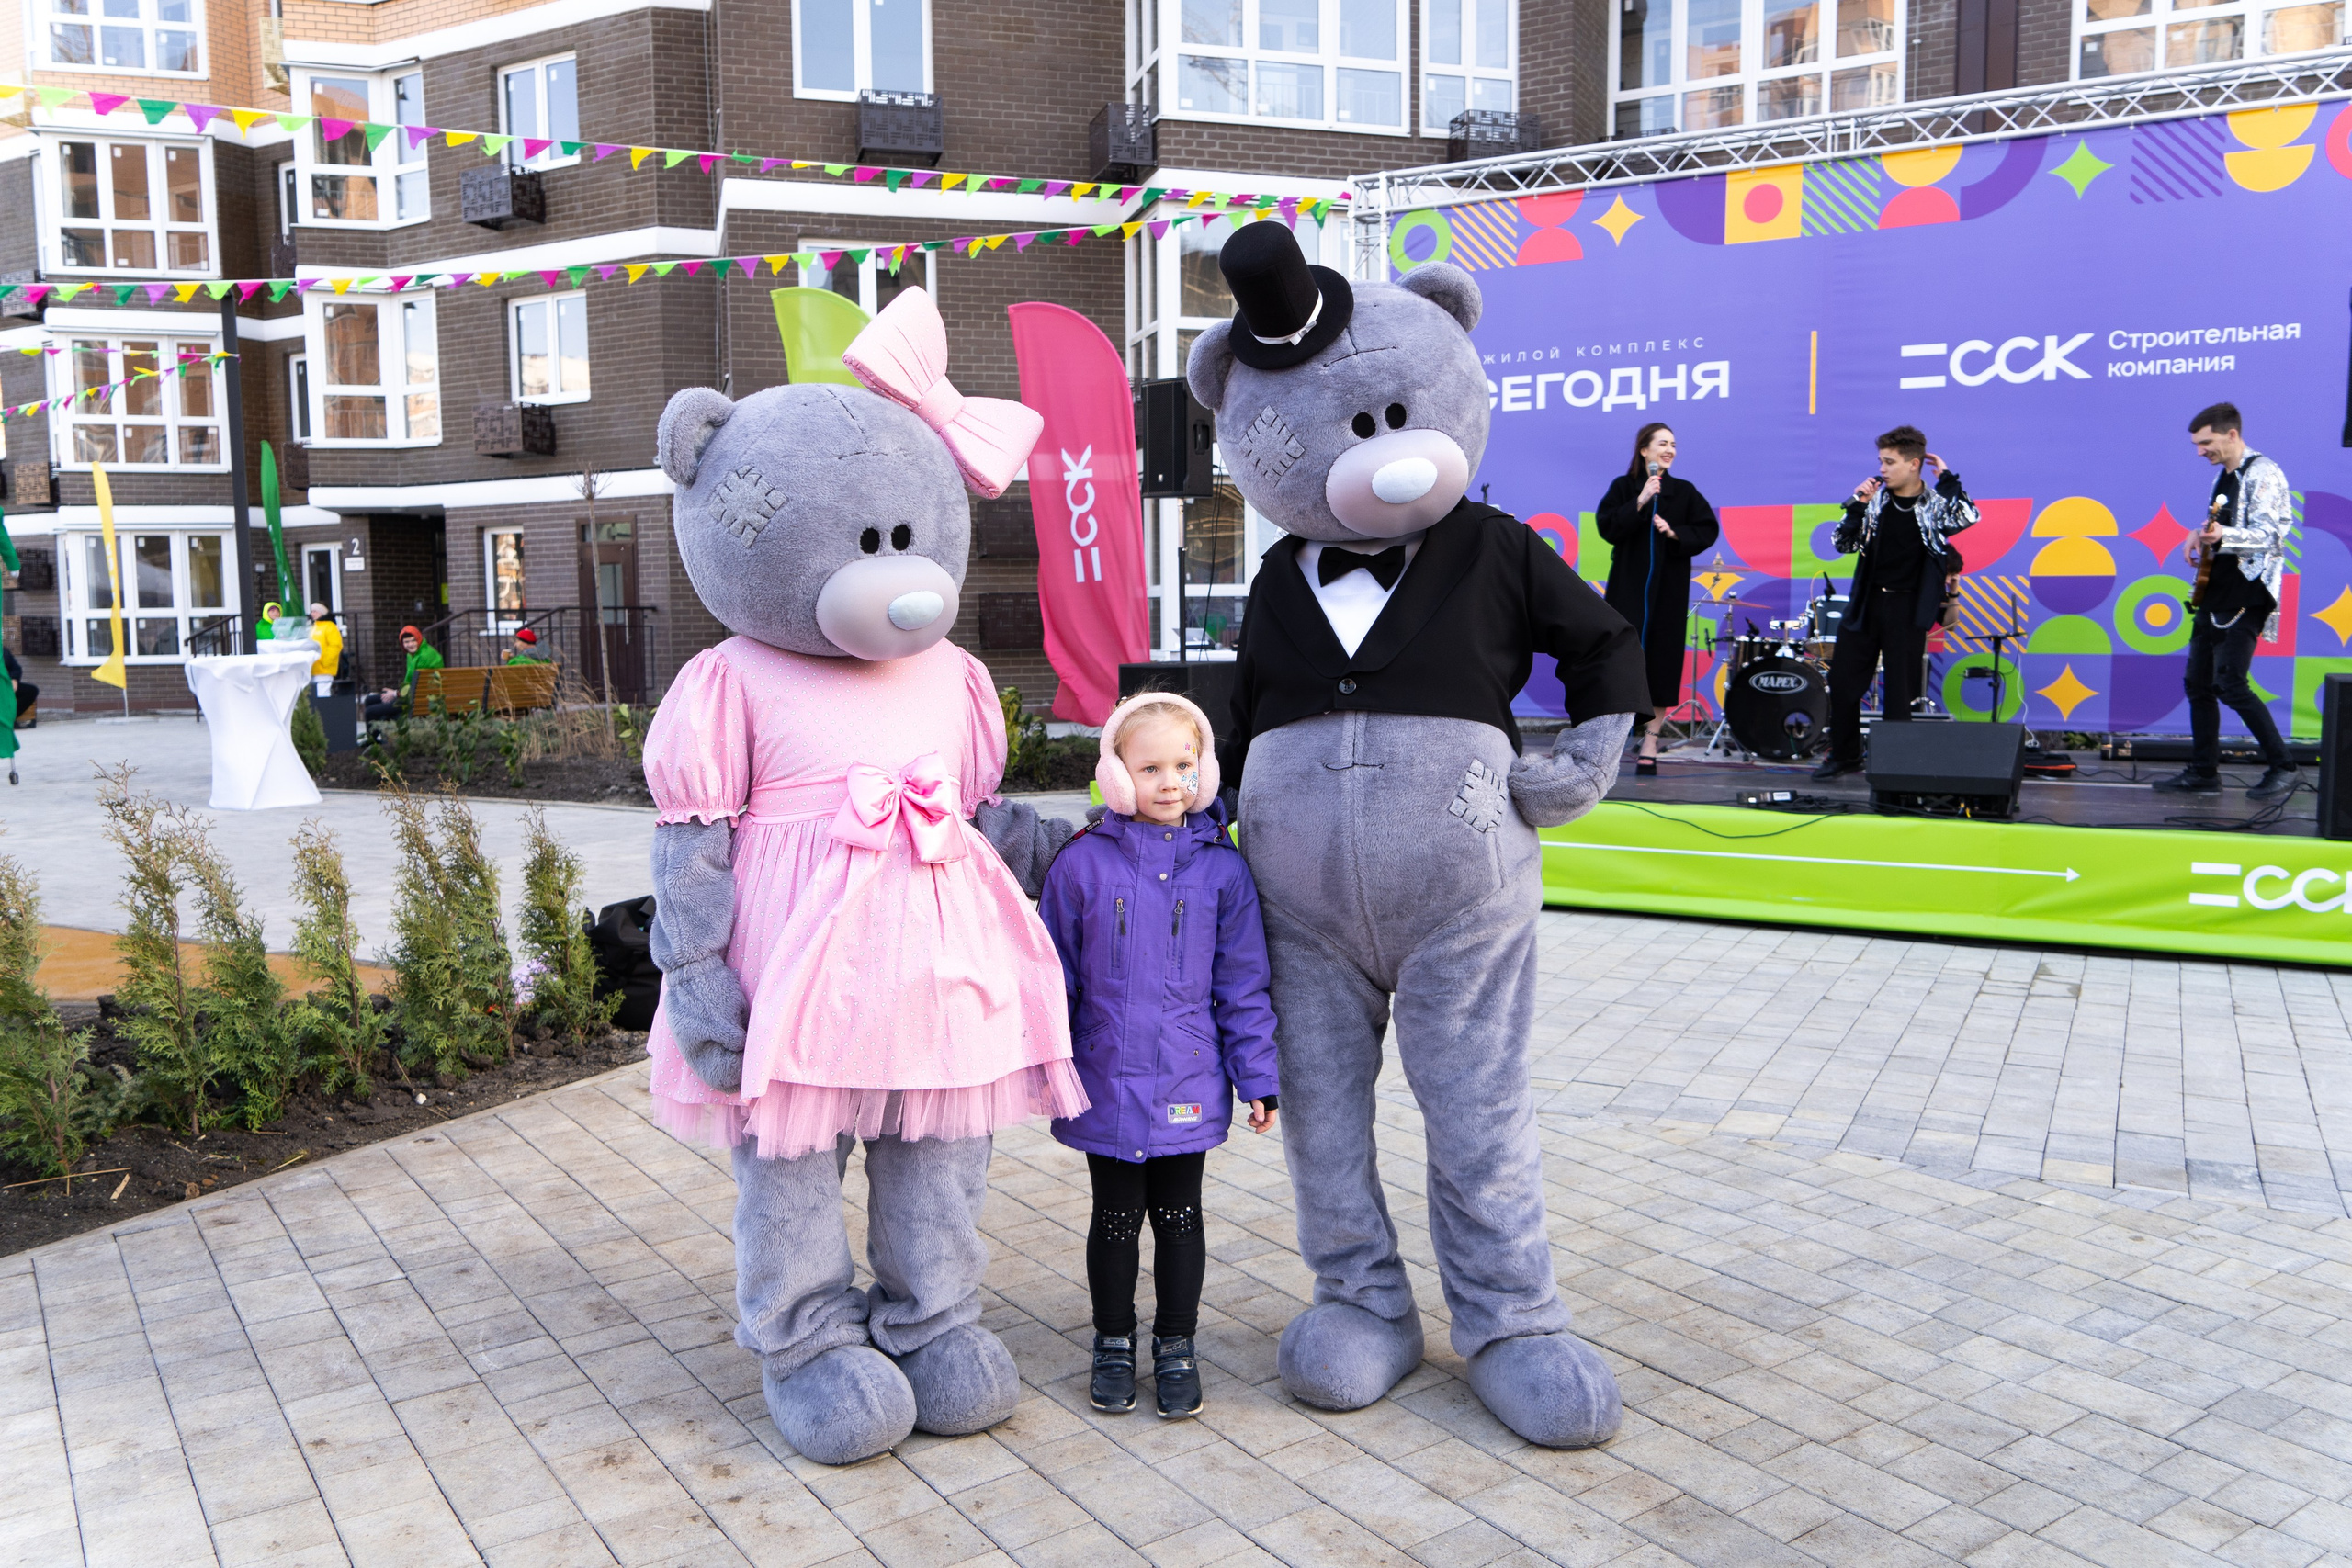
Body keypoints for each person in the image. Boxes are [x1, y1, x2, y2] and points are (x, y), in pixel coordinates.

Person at [1039, 693, 1279, 1421]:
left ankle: (1177, 1342)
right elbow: (1052, 978)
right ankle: (1113, 1340)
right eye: (1150, 767)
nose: (1169, 781)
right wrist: (1048, 1064)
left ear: (1205, 770)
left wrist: (1258, 1076)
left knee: (1179, 1216)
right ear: (1116, 775)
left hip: (1187, 1077)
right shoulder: (1081, 864)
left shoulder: (1224, 872)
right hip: (1106, 1077)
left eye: (1183, 764)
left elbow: (1243, 984)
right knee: (1115, 1216)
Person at [1813, 425, 1977, 781]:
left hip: (1907, 608)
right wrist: (1858, 506)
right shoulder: (1875, 501)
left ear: (1913, 464)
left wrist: (1948, 479)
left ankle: (1894, 765)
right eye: (1881, 461)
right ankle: (1845, 756)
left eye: (1889, 462)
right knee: (1843, 683)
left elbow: (1968, 516)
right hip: (1866, 603)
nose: (1882, 469)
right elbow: (1842, 543)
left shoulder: (1934, 505)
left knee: (1900, 694)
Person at [2155, 402, 2299, 801]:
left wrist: (2223, 537)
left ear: (2231, 434)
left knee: (2229, 683)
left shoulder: (2264, 472)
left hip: (2247, 592)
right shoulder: (2225, 476)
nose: (2200, 451)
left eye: (2206, 442)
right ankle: (2204, 772)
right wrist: (2197, 533)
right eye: (2197, 444)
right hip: (2216, 590)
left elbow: (2271, 536)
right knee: (2197, 684)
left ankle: (2284, 766)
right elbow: (2222, 524)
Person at [1596, 423, 1720, 775]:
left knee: (1662, 665)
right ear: (1644, 450)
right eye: (1662, 443)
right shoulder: (1624, 487)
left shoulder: (1684, 491)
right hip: (1628, 588)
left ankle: (1650, 743)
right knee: (1620, 661)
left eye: (1673, 445)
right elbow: (1607, 526)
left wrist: (1674, 532)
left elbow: (1707, 528)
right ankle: (1611, 742)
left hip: (1668, 591)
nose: (1669, 450)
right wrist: (1640, 500)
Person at [365, 625, 442, 722]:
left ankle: (376, 732)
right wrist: (397, 693)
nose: (410, 644)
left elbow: (418, 686)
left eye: (413, 640)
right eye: (406, 642)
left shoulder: (425, 656)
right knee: (370, 700)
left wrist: (395, 694)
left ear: (419, 639)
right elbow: (410, 682)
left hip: (420, 700)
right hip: (411, 696)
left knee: (370, 711)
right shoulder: (412, 654)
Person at [306, 602, 344, 693]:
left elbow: (335, 645)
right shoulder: (314, 627)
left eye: (315, 611)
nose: (312, 614)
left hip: (324, 669)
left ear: (322, 612)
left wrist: (325, 662)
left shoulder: (330, 627)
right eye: (312, 611)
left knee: (322, 693)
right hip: (313, 667)